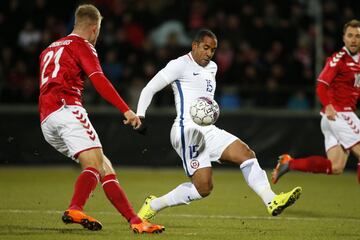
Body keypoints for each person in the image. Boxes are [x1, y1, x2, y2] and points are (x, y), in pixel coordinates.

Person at [135, 29, 302, 221]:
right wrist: (140, 115)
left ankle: (271, 199)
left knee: (246, 154)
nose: (209, 53)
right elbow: (150, 88)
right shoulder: (179, 65)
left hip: (208, 130)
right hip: (187, 131)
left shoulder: (213, 67)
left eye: (213, 50)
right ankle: (154, 204)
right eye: (205, 48)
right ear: (194, 45)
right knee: (203, 188)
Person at [39, 4, 164, 234]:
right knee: (95, 165)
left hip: (47, 120)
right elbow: (98, 79)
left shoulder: (49, 49)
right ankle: (75, 208)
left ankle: (136, 221)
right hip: (67, 109)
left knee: (104, 167)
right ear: (95, 29)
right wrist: (126, 110)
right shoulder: (82, 45)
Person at [272, 19, 360, 184]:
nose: (354, 39)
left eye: (357, 36)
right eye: (350, 35)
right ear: (344, 38)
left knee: (336, 167)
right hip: (339, 114)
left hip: (338, 117)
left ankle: (289, 164)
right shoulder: (339, 59)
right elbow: (321, 85)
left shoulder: (358, 60)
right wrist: (328, 105)